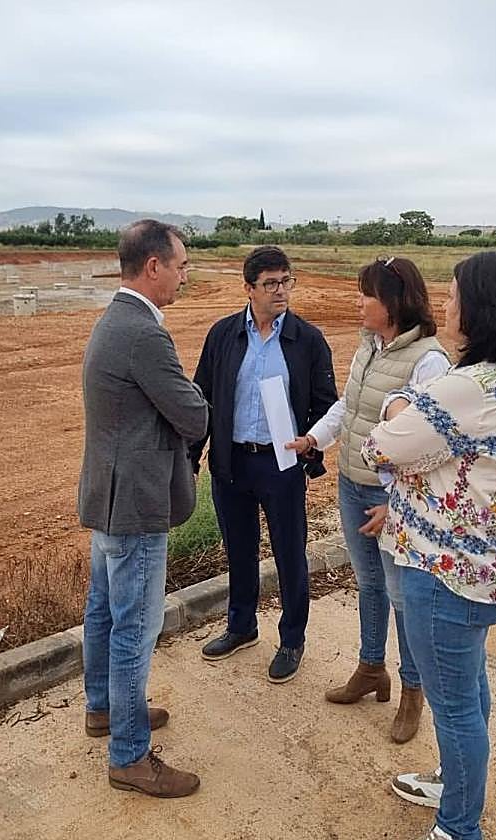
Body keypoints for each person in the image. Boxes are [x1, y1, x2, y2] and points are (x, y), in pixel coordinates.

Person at [361, 250, 496, 840]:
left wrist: (399, 406)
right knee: (468, 691)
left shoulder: (466, 389)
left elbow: (380, 448)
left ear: (482, 310)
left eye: (452, 298)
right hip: (488, 571)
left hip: (444, 571)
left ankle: (457, 827)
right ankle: (454, 785)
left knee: (454, 708)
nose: (445, 308)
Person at [286, 256, 449, 743]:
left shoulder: (429, 360)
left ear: (393, 302)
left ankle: (412, 693)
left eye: (366, 294)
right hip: (353, 484)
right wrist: (315, 439)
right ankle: (371, 669)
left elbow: (428, 445)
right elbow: (348, 406)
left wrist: (397, 504)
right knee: (369, 586)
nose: (357, 302)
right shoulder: (369, 346)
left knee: (403, 597)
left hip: (389, 497)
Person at [77, 219, 209, 798]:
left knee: (105, 613)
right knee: (136, 627)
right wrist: (191, 404)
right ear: (153, 267)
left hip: (110, 498)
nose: (184, 276)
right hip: (134, 504)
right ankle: (129, 755)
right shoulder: (144, 334)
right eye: (180, 266)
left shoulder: (114, 320)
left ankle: (105, 709)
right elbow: (193, 414)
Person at [189, 245, 337, 683]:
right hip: (232, 461)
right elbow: (203, 398)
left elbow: (326, 405)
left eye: (286, 281)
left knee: (289, 552)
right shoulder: (223, 335)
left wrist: (309, 446)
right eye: (270, 284)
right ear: (249, 288)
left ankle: (292, 638)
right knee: (239, 548)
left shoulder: (307, 340)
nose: (281, 291)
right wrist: (193, 456)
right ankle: (241, 626)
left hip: (282, 463)